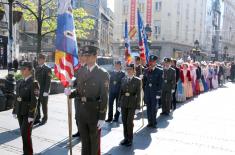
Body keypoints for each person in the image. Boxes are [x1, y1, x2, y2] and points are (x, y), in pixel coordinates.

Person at [65, 45, 110, 155]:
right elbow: (79, 91)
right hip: (81, 111)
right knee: (84, 142)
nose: (86, 58)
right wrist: (71, 93)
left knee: (94, 142)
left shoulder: (102, 73)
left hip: (94, 112)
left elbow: (104, 96)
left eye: (88, 56)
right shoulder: (81, 71)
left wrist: (102, 117)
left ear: (95, 56)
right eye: (85, 56)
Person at [12, 62, 40, 155]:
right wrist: (14, 110)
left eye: (23, 69)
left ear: (29, 70)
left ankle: (28, 153)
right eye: (21, 69)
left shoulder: (34, 83)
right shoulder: (20, 81)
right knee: (24, 134)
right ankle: (26, 152)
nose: (21, 70)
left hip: (28, 112)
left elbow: (34, 100)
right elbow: (17, 97)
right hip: (20, 111)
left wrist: (31, 114)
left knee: (25, 134)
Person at [118, 63, 141, 147]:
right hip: (124, 103)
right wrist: (119, 104)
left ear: (134, 70)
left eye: (130, 69)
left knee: (129, 122)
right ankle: (125, 138)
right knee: (124, 121)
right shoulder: (123, 79)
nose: (129, 71)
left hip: (132, 103)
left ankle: (130, 139)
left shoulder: (137, 80)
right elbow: (120, 93)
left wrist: (138, 107)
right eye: (127, 69)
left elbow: (139, 94)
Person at [143, 55, 163, 128]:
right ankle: (149, 121)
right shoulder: (146, 70)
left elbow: (161, 83)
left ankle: (154, 121)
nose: (151, 63)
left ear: (155, 62)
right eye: (150, 61)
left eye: (153, 61)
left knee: (154, 108)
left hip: (155, 92)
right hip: (148, 91)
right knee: (148, 107)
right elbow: (144, 82)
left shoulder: (160, 71)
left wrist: (159, 93)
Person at [72, 52, 88, 138]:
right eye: (79, 57)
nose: (80, 59)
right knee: (77, 116)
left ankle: (84, 132)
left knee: (83, 116)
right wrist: (71, 83)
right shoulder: (78, 68)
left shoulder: (88, 68)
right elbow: (76, 81)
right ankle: (79, 131)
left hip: (85, 97)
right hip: (77, 96)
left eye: (82, 57)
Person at [34, 54, 52, 125]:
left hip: (44, 91)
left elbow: (48, 81)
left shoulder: (48, 69)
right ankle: (37, 118)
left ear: (44, 60)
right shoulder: (37, 68)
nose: (39, 61)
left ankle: (45, 119)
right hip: (37, 90)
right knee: (37, 105)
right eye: (38, 59)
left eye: (40, 59)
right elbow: (35, 79)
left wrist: (46, 91)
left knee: (44, 105)